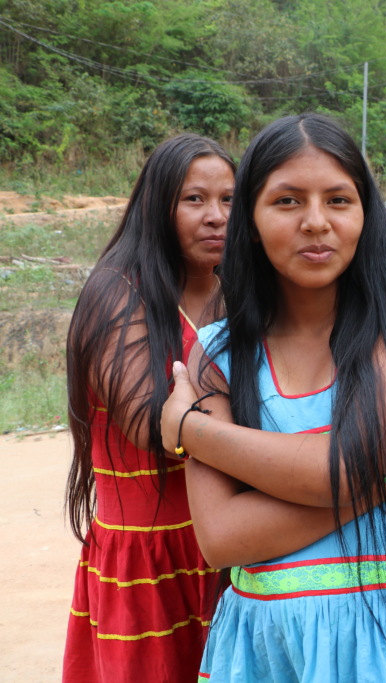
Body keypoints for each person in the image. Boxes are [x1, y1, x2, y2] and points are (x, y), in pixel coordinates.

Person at [160, 114, 386, 682]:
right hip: (273, 648)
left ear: (366, 214)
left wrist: (192, 431)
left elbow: (337, 469)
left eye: (339, 199)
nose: (316, 222)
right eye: (287, 201)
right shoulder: (218, 350)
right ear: (252, 221)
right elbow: (221, 537)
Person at [63, 134, 235, 682]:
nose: (216, 217)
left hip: (229, 547)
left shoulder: (236, 291)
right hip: (149, 563)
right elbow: (150, 426)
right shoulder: (118, 292)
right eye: (195, 200)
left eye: (230, 200)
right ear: (157, 205)